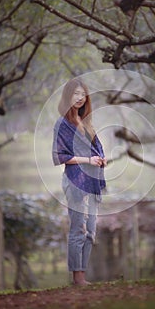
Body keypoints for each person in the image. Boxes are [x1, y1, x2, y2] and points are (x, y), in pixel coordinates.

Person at [52, 78, 107, 286]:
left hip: (92, 181)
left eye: (82, 94)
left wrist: (102, 158)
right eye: (75, 94)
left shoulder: (87, 123)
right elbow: (60, 156)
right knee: (78, 230)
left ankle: (82, 275)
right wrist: (88, 160)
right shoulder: (62, 124)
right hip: (75, 182)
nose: (79, 98)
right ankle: (78, 278)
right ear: (68, 96)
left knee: (91, 231)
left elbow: (98, 148)